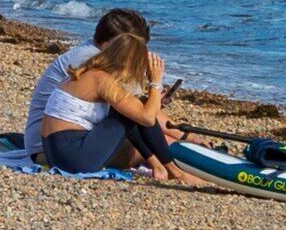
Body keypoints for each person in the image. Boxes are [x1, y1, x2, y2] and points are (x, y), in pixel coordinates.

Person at [30, 26, 193, 183]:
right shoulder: (102, 80)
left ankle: (161, 167)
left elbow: (135, 120)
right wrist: (155, 82)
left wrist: (155, 163)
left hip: (57, 156)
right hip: (74, 157)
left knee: (132, 111)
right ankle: (174, 171)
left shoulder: (87, 73)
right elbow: (148, 119)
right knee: (133, 113)